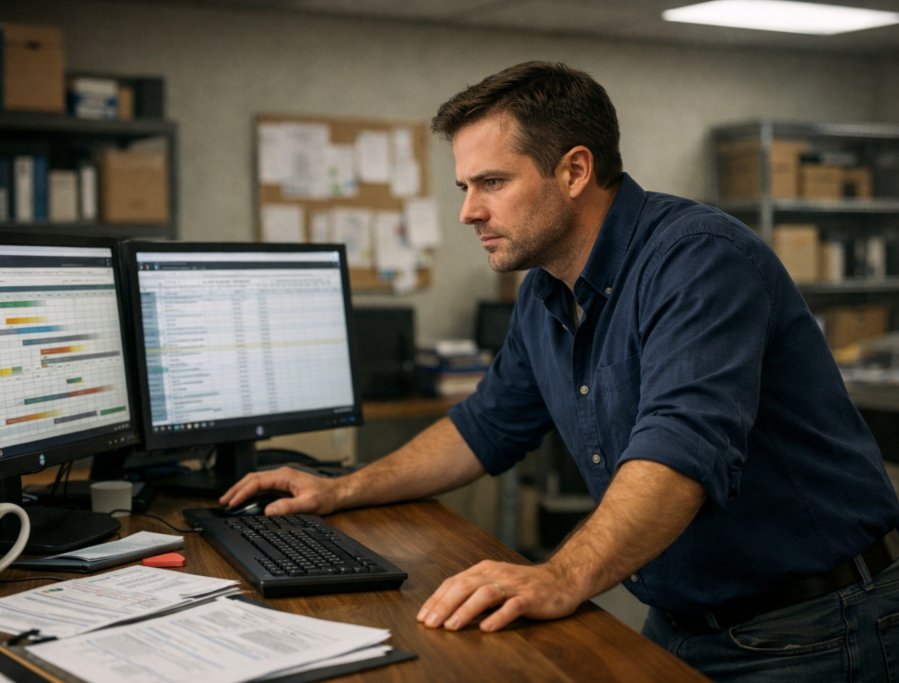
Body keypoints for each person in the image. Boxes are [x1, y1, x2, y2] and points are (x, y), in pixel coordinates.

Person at [221, 61, 899, 681]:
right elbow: (484, 426)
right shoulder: (546, 291)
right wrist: (342, 488)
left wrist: (560, 575)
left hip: (816, 626)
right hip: (683, 620)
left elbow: (682, 451)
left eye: (492, 182)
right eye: (465, 186)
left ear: (575, 171)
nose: (468, 211)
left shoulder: (699, 260)